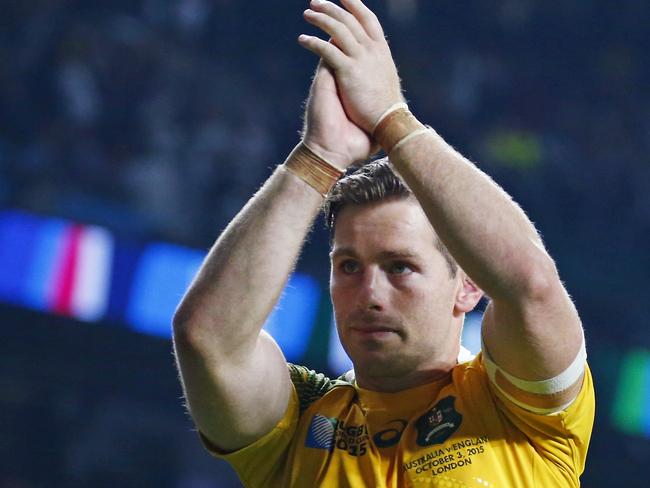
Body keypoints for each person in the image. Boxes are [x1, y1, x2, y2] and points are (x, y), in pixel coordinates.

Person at [172, 0, 595, 486]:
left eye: (400, 267)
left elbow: (530, 282)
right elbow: (206, 339)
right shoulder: (302, 423)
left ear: (468, 288)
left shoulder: (520, 407)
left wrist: (394, 120)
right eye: (349, 266)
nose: (369, 295)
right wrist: (318, 158)